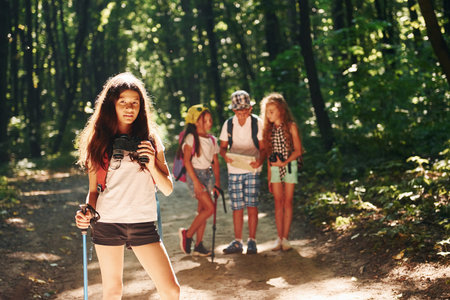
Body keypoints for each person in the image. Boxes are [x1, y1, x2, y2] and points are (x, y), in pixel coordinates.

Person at [74, 72, 180, 300]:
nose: (129, 108)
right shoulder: (98, 140)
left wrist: (152, 164)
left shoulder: (151, 139)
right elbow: (93, 191)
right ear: (112, 104)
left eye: (135, 102)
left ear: (141, 106)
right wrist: (86, 213)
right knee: (112, 291)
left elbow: (168, 188)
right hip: (107, 222)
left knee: (171, 290)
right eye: (123, 102)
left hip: (142, 223)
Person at [219, 90, 265, 255]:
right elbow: (222, 148)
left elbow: (263, 147)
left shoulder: (257, 123)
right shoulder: (229, 124)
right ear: (234, 110)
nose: (242, 113)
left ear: (250, 109)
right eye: (239, 111)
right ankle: (238, 241)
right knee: (237, 206)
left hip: (252, 168)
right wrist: (225, 156)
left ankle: (252, 240)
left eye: (245, 110)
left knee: (252, 204)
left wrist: (260, 160)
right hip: (234, 169)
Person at [260, 93, 303, 251]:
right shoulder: (268, 130)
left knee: (288, 201)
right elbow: (269, 157)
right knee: (278, 202)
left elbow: (298, 151)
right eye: (267, 111)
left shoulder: (291, 126)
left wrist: (284, 162)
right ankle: (279, 238)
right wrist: (270, 176)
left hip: (289, 166)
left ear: (281, 110)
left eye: (272, 110)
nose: (268, 114)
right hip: (275, 169)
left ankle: (286, 238)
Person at [178, 104, 221, 256]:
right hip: (195, 176)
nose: (209, 123)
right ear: (196, 122)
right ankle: (188, 234)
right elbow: (187, 161)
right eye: (205, 120)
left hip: (207, 176)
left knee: (203, 210)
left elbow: (215, 163)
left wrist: (217, 183)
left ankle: (198, 245)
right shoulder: (191, 138)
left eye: (210, 120)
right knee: (210, 209)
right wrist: (196, 181)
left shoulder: (212, 140)